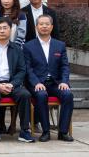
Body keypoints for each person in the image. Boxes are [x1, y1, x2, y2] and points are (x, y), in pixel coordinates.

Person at [0, 18, 34, 143]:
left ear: (10, 30)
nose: (2, 31)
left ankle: (25, 131)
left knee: (25, 94)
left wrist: (12, 84)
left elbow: (22, 70)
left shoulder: (17, 49)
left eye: (5, 28)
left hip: (11, 83)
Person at [23, 14, 74, 142]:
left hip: (56, 83)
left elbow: (64, 66)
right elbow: (28, 69)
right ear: (36, 27)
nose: (44, 26)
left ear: (51, 27)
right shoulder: (28, 46)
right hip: (37, 83)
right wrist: (36, 83)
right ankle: (46, 131)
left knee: (68, 95)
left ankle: (63, 132)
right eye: (41, 24)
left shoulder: (60, 45)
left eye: (47, 24)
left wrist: (64, 81)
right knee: (41, 95)